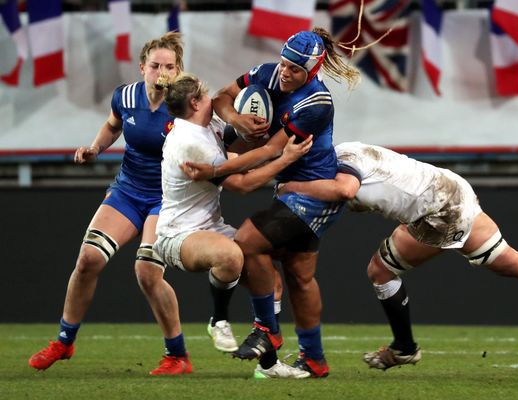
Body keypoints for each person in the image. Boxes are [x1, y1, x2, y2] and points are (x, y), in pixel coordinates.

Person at [278, 141, 518, 370]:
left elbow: (344, 191)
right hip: (447, 187)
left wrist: (289, 187)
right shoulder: (340, 152)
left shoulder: (338, 172)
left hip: (439, 210)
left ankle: (405, 348)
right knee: (508, 261)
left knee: (381, 271)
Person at [27, 32, 225, 375]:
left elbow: (217, 138)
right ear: (142, 67)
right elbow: (112, 125)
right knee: (88, 258)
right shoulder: (127, 96)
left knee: (147, 271)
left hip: (166, 197)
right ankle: (64, 341)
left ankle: (177, 355)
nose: (161, 72)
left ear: (179, 70)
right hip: (128, 190)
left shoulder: (185, 107)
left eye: (170, 66)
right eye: (155, 65)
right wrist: (94, 148)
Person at [183, 28, 360, 378]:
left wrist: (215, 169)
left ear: (312, 70)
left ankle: (268, 330)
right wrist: (238, 120)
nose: (285, 72)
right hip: (291, 189)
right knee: (299, 276)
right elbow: (222, 97)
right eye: (283, 63)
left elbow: (267, 152)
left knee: (247, 241)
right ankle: (314, 359)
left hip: (313, 191)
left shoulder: (316, 103)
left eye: (295, 69)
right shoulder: (269, 73)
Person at [154, 72, 313, 379]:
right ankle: (219, 319)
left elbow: (240, 146)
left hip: (209, 226)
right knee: (230, 256)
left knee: (270, 280)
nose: (212, 99)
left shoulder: (205, 125)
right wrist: (284, 157)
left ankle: (268, 366)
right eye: (206, 94)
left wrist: (252, 124)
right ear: (195, 101)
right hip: (178, 235)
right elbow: (241, 184)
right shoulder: (189, 141)